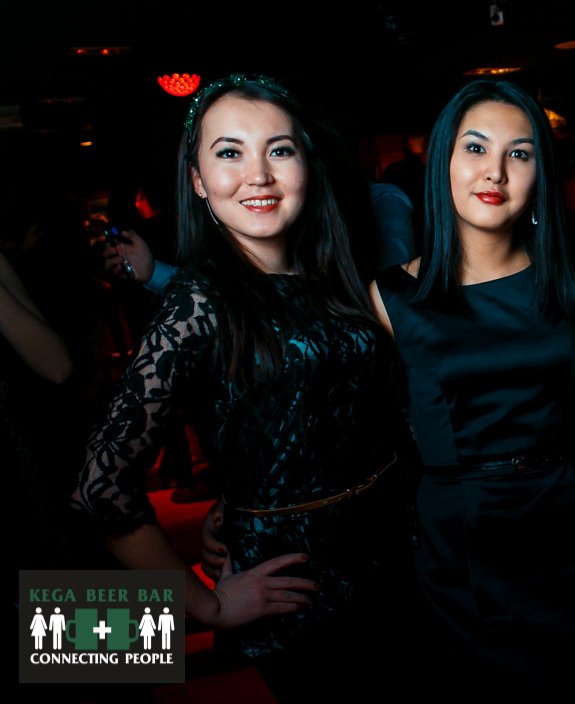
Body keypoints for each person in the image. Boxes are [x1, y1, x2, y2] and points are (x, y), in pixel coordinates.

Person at [71, 74, 413, 699]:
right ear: (198, 180)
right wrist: (210, 606)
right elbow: (101, 488)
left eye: (279, 149)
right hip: (303, 587)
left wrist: (241, 494)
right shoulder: (198, 301)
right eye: (229, 152)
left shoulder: (328, 270)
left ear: (306, 165)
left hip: (398, 548)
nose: (258, 174)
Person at [368, 79, 575, 701]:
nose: (495, 172)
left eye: (520, 153)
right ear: (444, 161)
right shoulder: (392, 296)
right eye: (476, 148)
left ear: (540, 172)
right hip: (462, 537)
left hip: (568, 518)